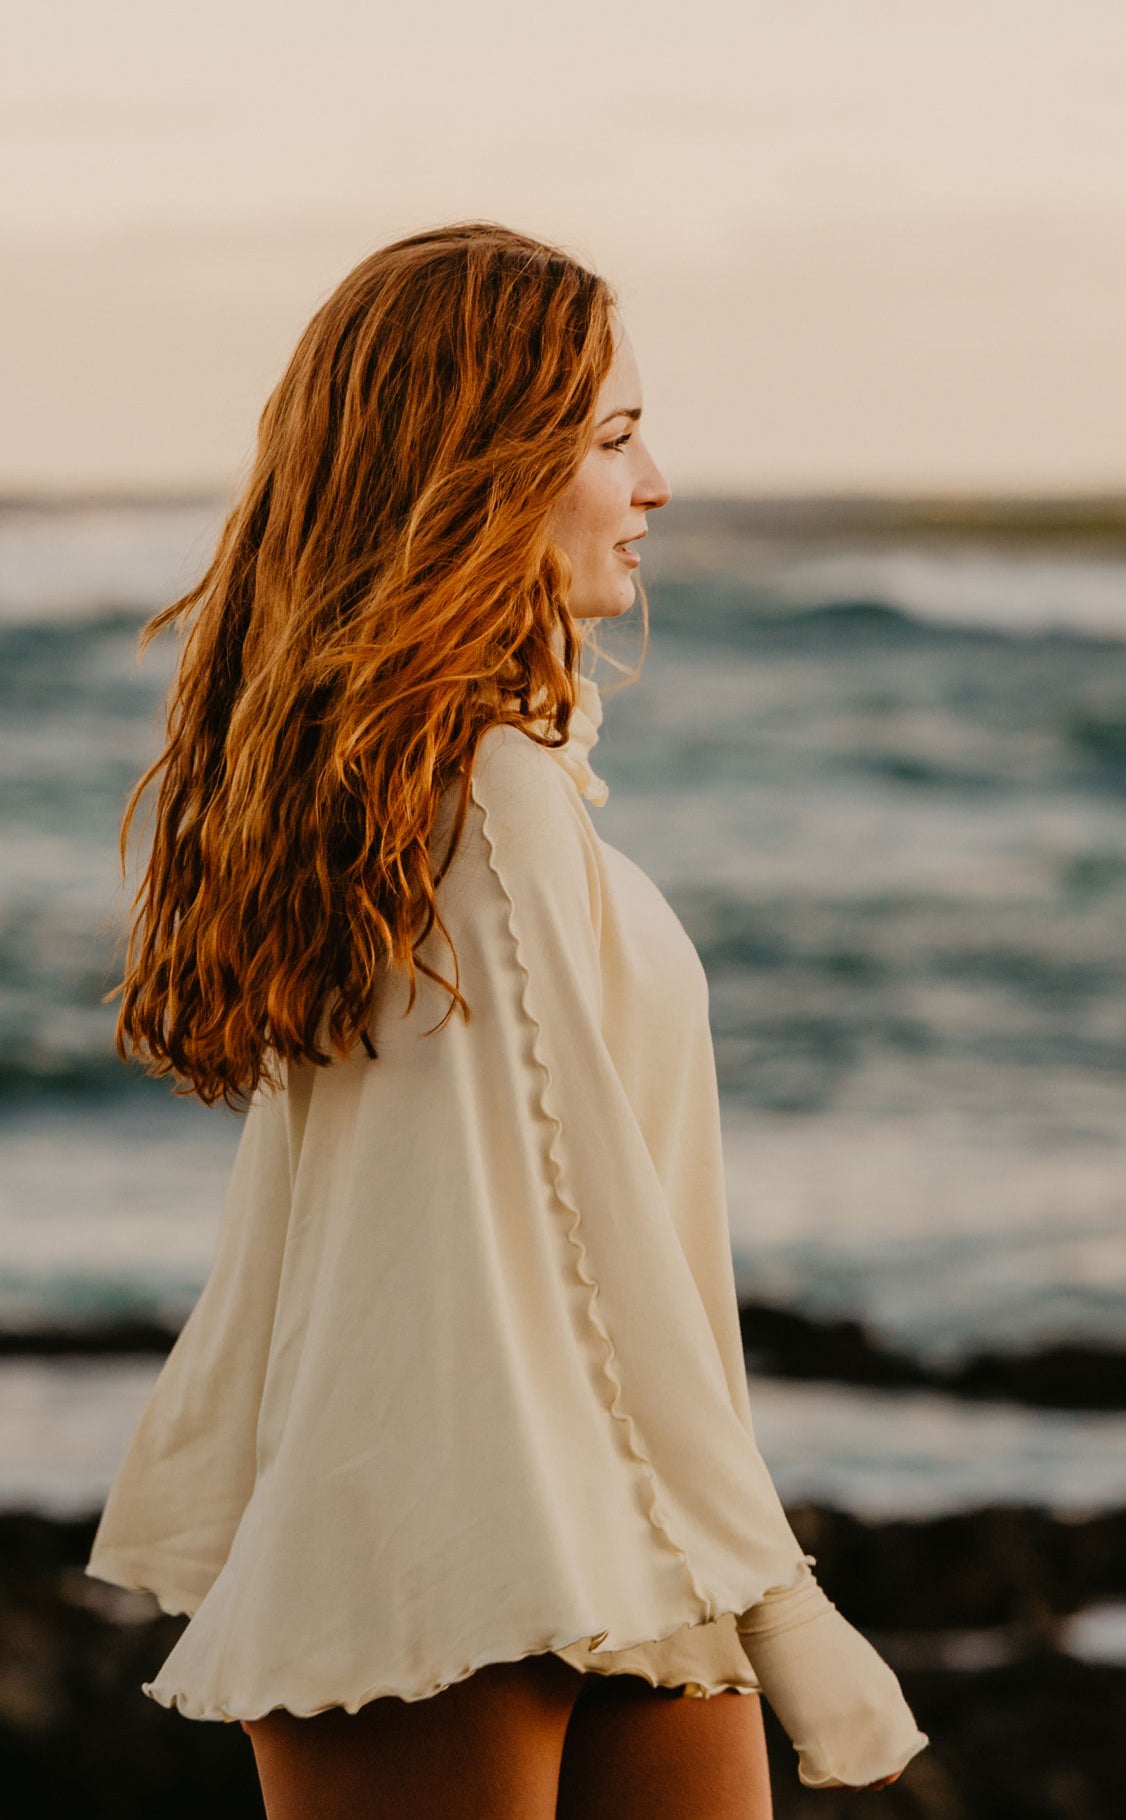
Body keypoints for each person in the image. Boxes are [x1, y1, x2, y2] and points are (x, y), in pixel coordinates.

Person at [84, 222, 928, 1817]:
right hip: (462, 1540)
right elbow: (593, 1221)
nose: (656, 482)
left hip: (608, 1522)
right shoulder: (477, 797)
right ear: (483, 468)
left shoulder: (423, 791)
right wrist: (783, 1595)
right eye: (613, 438)